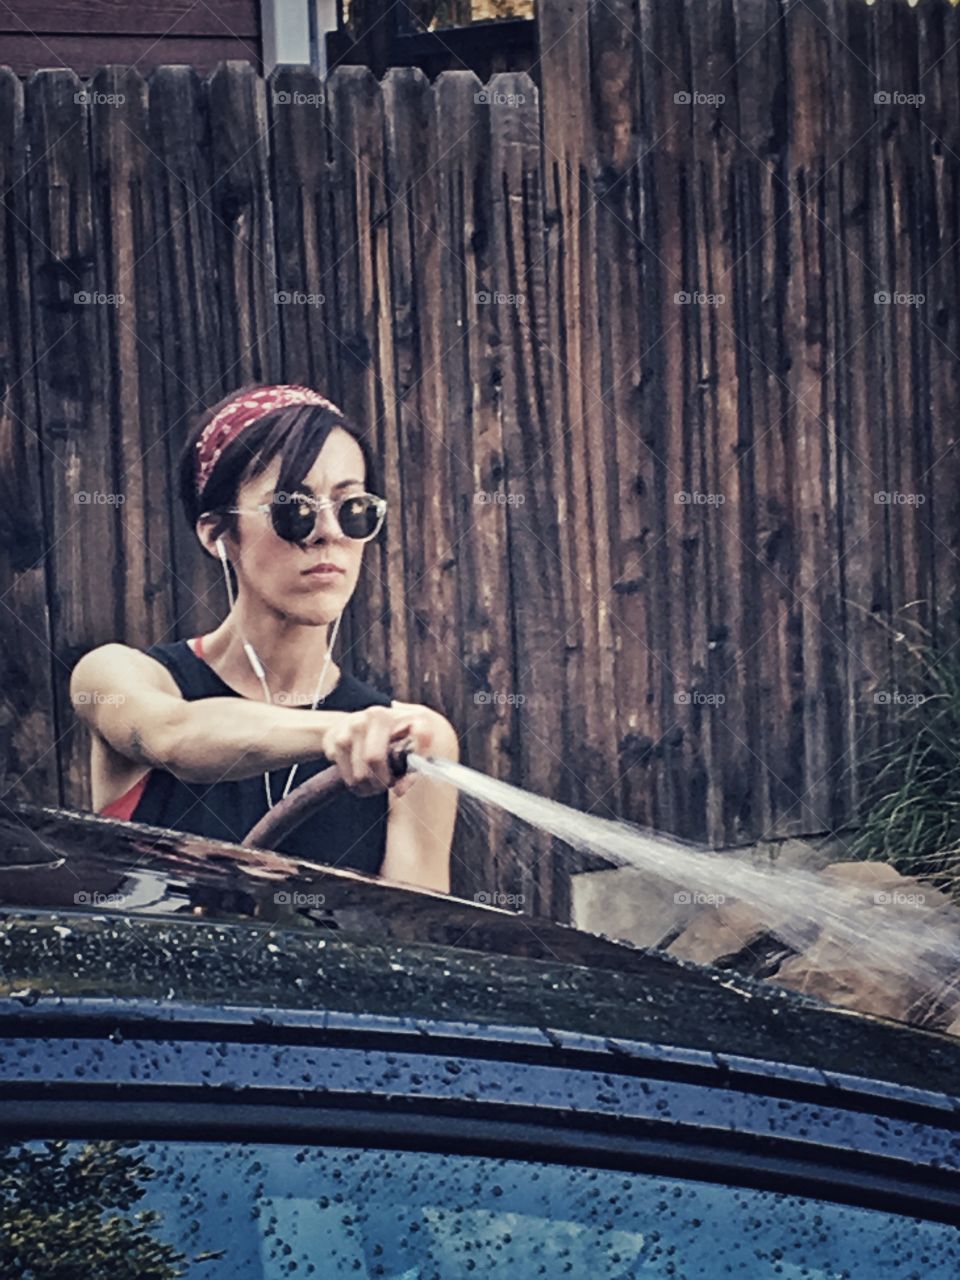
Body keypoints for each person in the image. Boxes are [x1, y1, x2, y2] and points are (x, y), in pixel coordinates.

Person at [69, 384, 459, 893]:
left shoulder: (408, 742)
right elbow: (173, 735)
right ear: (216, 533)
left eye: (352, 508)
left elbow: (412, 952)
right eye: (293, 509)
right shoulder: (116, 676)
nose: (328, 534)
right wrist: (330, 734)